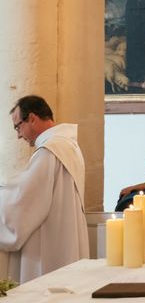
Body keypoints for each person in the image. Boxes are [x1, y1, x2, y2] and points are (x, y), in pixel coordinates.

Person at [0, 95, 89, 283]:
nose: (18, 135)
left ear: (32, 118)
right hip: (63, 240)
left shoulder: (49, 150)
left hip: (47, 246)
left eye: (18, 127)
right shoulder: (68, 146)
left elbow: (24, 199)